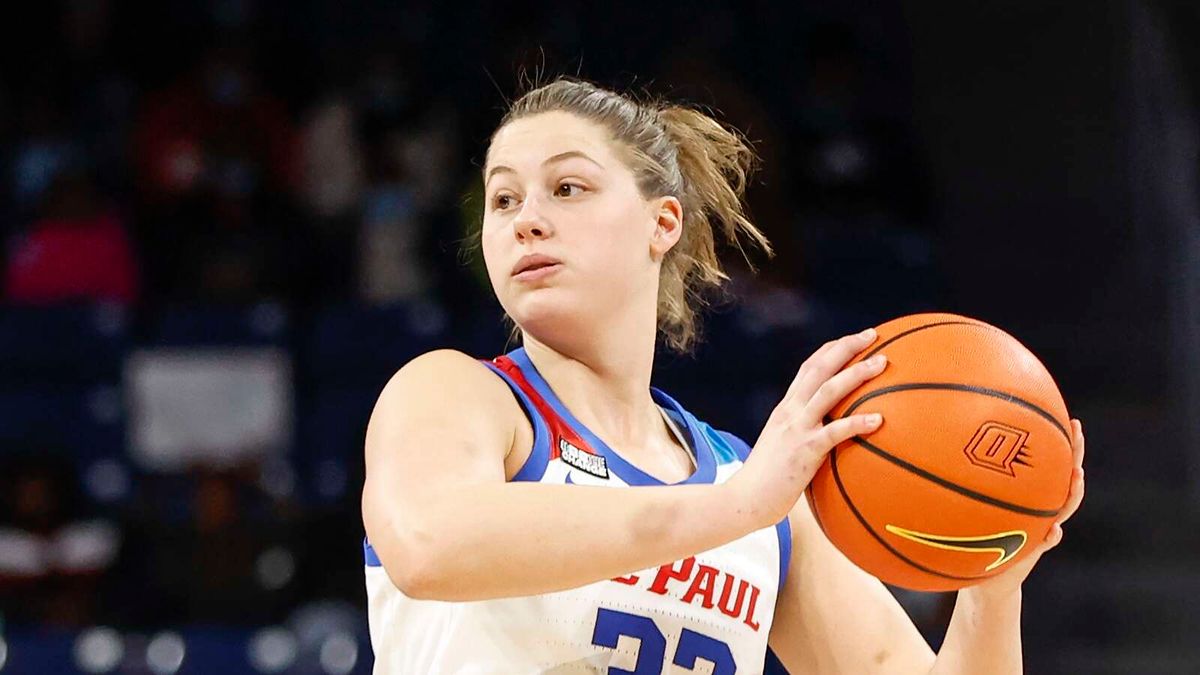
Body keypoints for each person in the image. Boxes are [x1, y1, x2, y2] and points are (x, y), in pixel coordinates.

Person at [360, 77, 1086, 673]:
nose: (527, 220)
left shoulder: (755, 496)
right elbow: (428, 545)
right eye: (504, 198)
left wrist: (994, 574)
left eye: (568, 188)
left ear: (662, 222)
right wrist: (735, 507)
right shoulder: (454, 393)